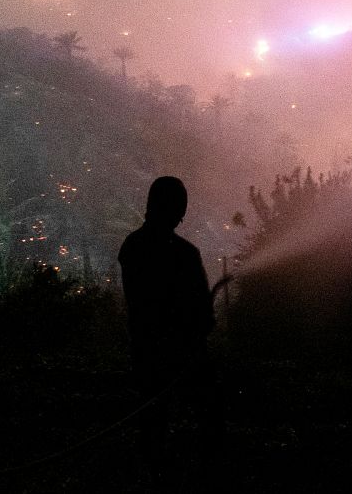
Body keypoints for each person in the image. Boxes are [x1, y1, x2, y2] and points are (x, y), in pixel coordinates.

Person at [119, 176, 219, 484]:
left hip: (146, 353)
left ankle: (154, 475)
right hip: (184, 355)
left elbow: (139, 306)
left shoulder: (132, 247)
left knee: (153, 422)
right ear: (177, 209)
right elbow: (203, 315)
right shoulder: (186, 254)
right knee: (209, 415)